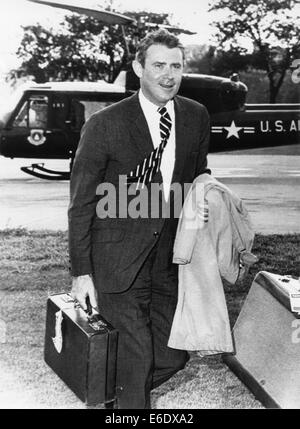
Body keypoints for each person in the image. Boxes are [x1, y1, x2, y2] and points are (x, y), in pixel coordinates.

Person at [68, 29, 211, 409]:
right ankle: (128, 402)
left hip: (168, 261)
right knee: (136, 359)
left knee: (173, 355)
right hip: (115, 261)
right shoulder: (104, 124)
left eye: (176, 66)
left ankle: (112, 393)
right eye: (159, 65)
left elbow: (198, 173)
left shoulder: (195, 116)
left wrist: (204, 195)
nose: (169, 75)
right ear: (138, 68)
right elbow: (81, 203)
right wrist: (82, 272)